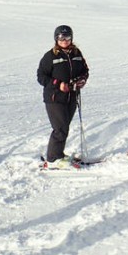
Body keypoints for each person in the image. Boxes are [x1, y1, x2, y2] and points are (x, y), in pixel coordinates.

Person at [36, 24, 89, 165]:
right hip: (54, 98)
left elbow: (85, 70)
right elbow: (41, 76)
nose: (64, 40)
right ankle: (53, 159)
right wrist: (57, 84)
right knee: (60, 128)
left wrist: (82, 80)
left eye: (67, 37)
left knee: (64, 127)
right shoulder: (50, 56)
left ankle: (59, 154)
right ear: (56, 39)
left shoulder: (77, 53)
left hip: (71, 96)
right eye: (61, 37)